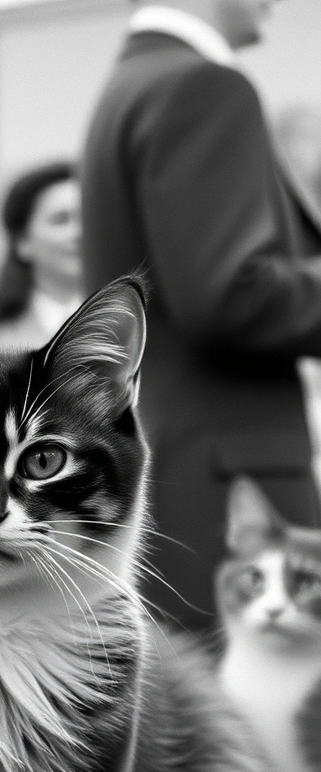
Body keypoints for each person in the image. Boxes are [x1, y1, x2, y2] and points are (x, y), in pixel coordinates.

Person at [81, 0, 321, 630]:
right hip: (230, 488)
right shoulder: (203, 85)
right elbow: (230, 295)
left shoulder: (134, 83)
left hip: (182, 469)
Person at [0, 162, 82, 347]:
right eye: (61, 220)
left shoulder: (140, 329)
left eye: (87, 218)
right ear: (22, 242)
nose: (80, 233)